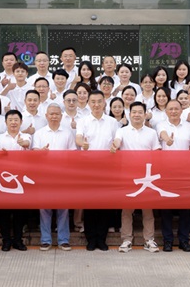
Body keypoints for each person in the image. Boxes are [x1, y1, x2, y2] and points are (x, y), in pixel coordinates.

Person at [112, 101, 160, 253]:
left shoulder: (151, 133)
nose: (137, 115)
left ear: (145, 115)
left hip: (147, 175)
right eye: (134, 112)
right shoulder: (122, 131)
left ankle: (149, 240)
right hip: (128, 175)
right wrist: (115, 145)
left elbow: (157, 152)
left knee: (148, 210)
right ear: (129, 114)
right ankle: (126, 240)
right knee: (127, 210)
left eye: (140, 112)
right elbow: (117, 141)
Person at [76, 90, 120, 251]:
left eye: (99, 101)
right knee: (89, 203)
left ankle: (101, 239)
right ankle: (91, 238)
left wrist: (115, 146)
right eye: (93, 102)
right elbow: (78, 137)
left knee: (104, 204)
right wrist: (82, 144)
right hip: (88, 168)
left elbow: (117, 140)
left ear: (104, 103)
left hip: (107, 168)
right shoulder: (83, 121)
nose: (96, 105)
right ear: (88, 103)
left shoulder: (112, 122)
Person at [34, 105, 77, 251]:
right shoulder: (39, 133)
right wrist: (41, 152)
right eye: (51, 114)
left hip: (62, 176)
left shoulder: (67, 133)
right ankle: (45, 240)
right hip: (44, 176)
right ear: (46, 115)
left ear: (61, 116)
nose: (54, 116)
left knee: (63, 209)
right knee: (44, 209)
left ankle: (63, 240)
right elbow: (34, 152)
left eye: (57, 114)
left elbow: (73, 153)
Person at [158, 98, 190, 252]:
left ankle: (184, 240)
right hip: (166, 172)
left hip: (185, 172)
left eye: (176, 109)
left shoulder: (189, 126)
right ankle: (167, 240)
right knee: (166, 208)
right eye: (170, 109)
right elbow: (163, 134)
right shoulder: (161, 124)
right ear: (166, 111)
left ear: (181, 110)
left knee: (185, 208)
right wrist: (168, 140)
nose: (173, 111)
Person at [0, 109, 31, 251]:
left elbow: (28, 145)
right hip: (4, 179)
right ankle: (6, 240)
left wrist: (24, 144)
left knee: (20, 212)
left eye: (16, 120)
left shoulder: (26, 136)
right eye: (10, 120)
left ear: (21, 122)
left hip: (21, 179)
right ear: (5, 122)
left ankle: (18, 240)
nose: (13, 123)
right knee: (4, 212)